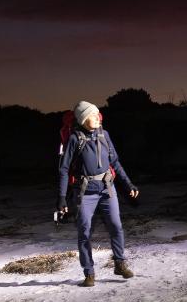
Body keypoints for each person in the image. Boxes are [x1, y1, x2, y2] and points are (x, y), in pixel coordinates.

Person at [57, 101, 139, 286]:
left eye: (97, 114)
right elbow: (64, 169)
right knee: (84, 232)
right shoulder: (75, 139)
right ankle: (89, 273)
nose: (97, 117)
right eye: (92, 115)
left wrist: (128, 184)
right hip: (85, 193)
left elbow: (115, 162)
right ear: (83, 119)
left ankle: (119, 264)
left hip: (107, 189)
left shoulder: (104, 134)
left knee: (116, 227)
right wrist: (62, 198)